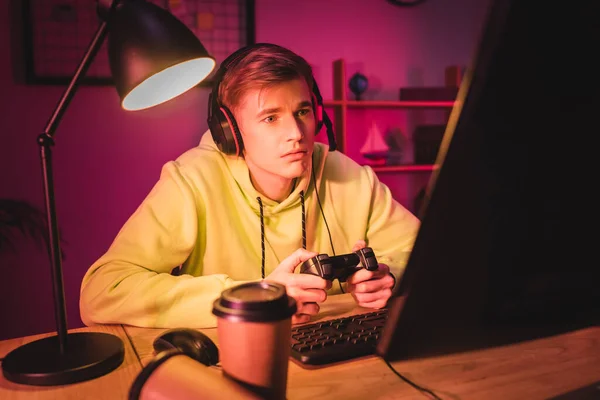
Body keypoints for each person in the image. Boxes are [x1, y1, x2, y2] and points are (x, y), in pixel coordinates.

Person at [79, 43, 420, 328]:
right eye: (271, 118)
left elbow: (429, 255)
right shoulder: (191, 180)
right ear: (229, 131)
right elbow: (103, 291)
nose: (296, 134)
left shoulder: (349, 175)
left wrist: (388, 276)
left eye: (302, 112)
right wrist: (256, 296)